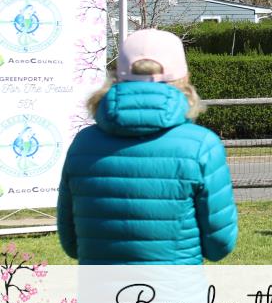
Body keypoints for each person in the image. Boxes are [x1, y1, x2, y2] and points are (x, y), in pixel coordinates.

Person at [57, 29, 238, 264]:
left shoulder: (83, 143)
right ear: (184, 77)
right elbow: (219, 244)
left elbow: (71, 243)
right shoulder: (202, 145)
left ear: (117, 75)